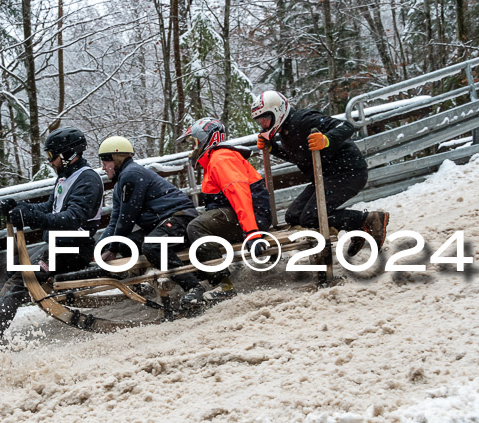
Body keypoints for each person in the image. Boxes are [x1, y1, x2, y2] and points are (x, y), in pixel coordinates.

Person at [0, 127, 104, 364]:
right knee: (8, 266)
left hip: (75, 249)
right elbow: (49, 208)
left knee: (23, 277)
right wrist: (21, 207)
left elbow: (72, 218)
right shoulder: (65, 178)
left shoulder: (87, 180)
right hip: (56, 246)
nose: (50, 161)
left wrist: (32, 219)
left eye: (52, 155)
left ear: (70, 154)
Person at [252, 90, 389, 256]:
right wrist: (273, 149)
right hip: (324, 177)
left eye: (265, 119)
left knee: (311, 217)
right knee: (293, 216)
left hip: (348, 172)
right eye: (260, 121)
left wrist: (326, 139)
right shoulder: (286, 133)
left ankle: (368, 220)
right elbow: (300, 157)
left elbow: (345, 126)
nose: (263, 125)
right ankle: (356, 228)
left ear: (278, 111)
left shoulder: (304, 120)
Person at [96, 135, 205, 311]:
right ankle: (142, 287)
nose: (103, 167)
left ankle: (193, 287)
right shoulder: (119, 185)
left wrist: (112, 249)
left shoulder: (132, 175)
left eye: (105, 162)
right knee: (127, 245)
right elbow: (115, 220)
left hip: (179, 217)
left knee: (153, 245)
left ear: (117, 160)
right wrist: (102, 247)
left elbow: (127, 218)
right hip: (160, 223)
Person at [178, 117, 272, 306]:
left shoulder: (221, 159)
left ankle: (223, 284)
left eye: (194, 143)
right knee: (191, 226)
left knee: (196, 227)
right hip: (241, 215)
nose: (192, 150)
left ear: (206, 140)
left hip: (252, 216)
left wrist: (252, 233)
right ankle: (201, 279)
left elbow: (240, 194)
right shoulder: (214, 160)